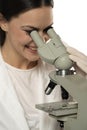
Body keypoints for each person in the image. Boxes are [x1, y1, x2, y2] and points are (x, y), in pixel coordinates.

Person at [0, 0, 87, 130]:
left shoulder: (61, 57)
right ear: (3, 22)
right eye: (30, 31)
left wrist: (83, 84)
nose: (41, 40)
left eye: (47, 29)